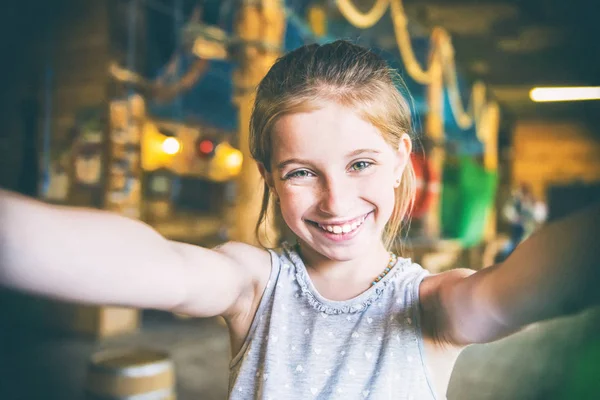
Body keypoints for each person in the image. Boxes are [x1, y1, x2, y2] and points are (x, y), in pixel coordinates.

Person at [0, 41, 599, 400]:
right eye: (301, 172)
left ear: (399, 162)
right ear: (267, 176)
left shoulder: (432, 304)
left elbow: (509, 293)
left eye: (360, 163)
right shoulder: (253, 284)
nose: (336, 202)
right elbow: (161, 265)